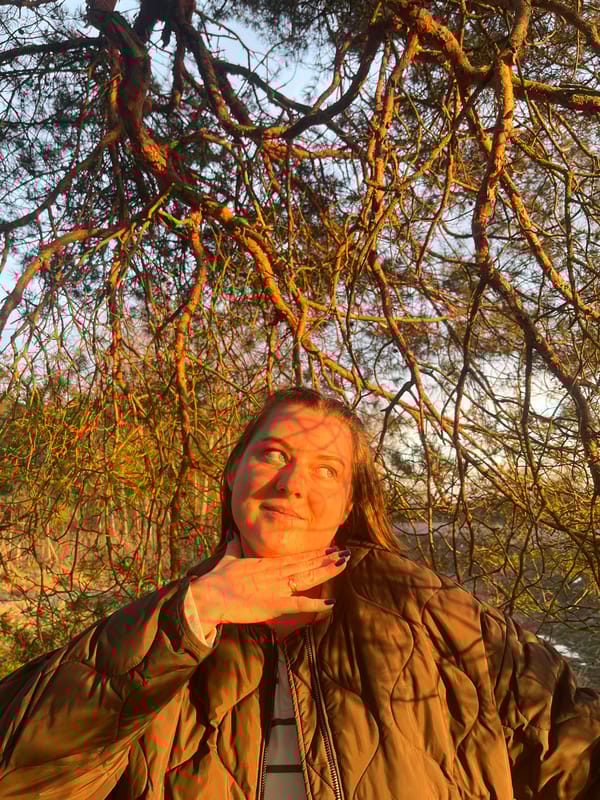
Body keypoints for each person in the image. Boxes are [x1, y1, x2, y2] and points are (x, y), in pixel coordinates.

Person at [0, 386, 599, 799]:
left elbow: (571, 740)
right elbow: (23, 771)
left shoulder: (433, 610)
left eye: (325, 470)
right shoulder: (161, 631)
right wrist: (195, 612)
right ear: (234, 474)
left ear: (347, 505)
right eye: (273, 455)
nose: (291, 485)